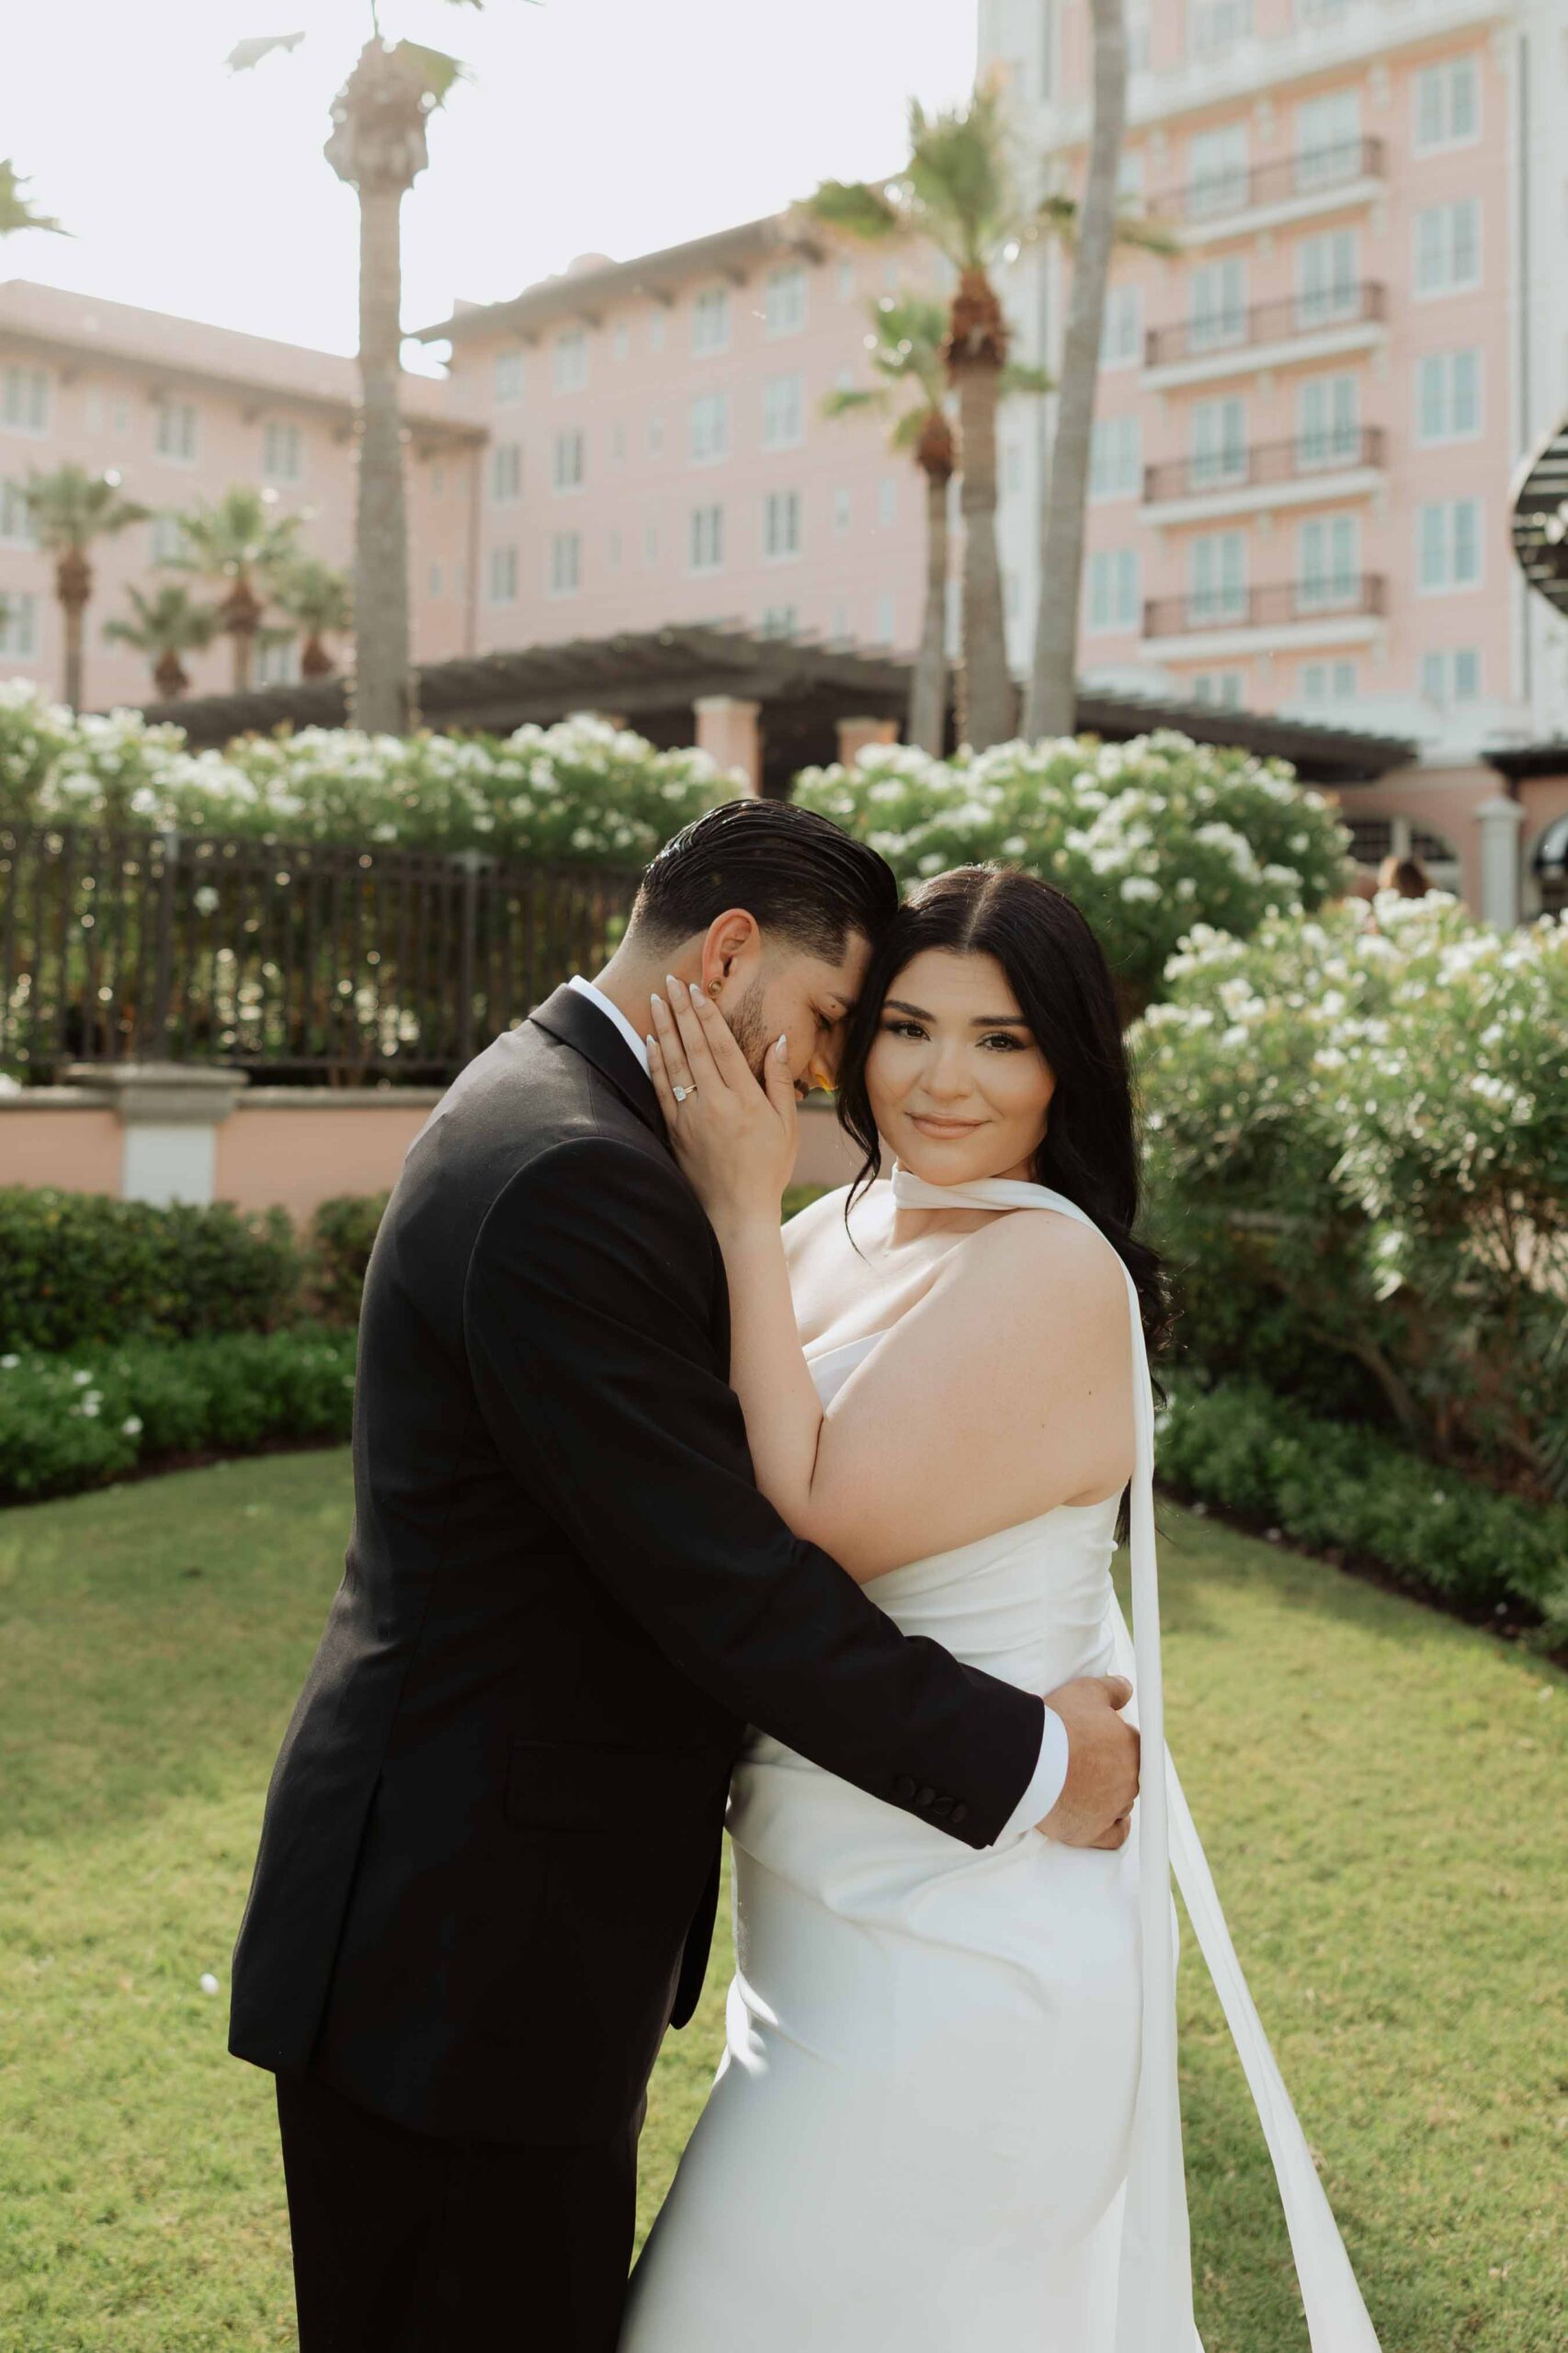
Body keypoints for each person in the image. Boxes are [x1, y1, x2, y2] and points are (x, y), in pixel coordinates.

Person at [226, 802, 1141, 2353]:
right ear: (727, 953)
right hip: (465, 1955)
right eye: (855, 1022)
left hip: (506, 1944)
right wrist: (1039, 1756)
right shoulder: (573, 1172)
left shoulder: (562, 1121)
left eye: (983, 1039)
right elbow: (732, 1583)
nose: (846, 1072)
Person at [620, 864, 1385, 2352]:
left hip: (970, 1937)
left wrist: (731, 1198)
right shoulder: (834, 1236)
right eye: (908, 1026)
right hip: (818, 1920)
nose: (942, 1079)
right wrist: (759, 1215)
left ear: (1065, 1074)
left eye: (1001, 1040)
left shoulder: (1048, 1266)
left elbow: (804, 1522)